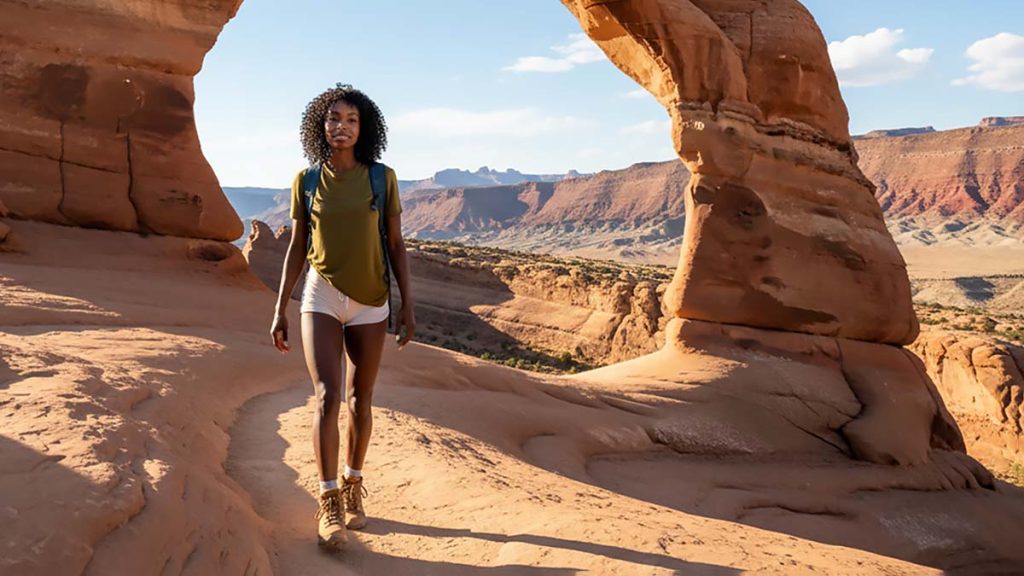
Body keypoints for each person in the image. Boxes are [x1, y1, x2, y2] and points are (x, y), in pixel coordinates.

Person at [270, 83, 416, 550]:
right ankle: (329, 500)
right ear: (321, 125)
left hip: (372, 301)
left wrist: (406, 303)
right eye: (334, 118)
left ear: (363, 128)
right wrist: (280, 307)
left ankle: (354, 485)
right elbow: (296, 247)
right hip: (322, 296)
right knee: (327, 396)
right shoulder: (306, 181)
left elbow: (395, 244)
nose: (341, 126)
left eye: (351, 119)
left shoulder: (381, 178)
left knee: (361, 398)